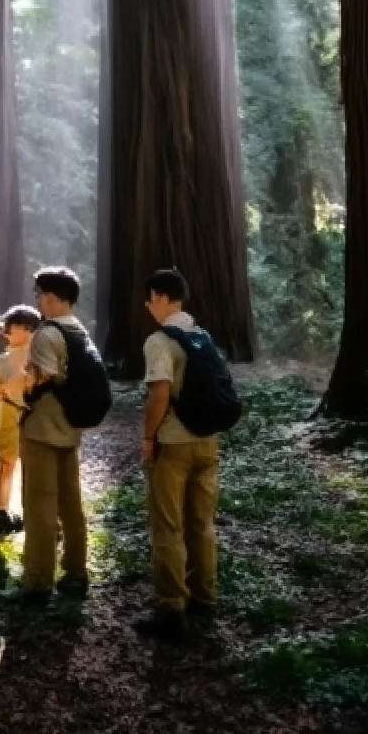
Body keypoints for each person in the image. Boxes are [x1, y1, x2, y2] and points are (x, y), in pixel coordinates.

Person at [135, 268, 219, 642]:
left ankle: (172, 609)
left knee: (167, 526)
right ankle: (204, 598)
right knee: (201, 523)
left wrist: (148, 437)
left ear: (161, 297)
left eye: (150, 299)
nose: (148, 306)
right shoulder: (202, 336)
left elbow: (160, 395)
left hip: (173, 444)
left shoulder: (160, 341)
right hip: (207, 441)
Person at [17, 267, 91, 604]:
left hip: (42, 431)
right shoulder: (79, 331)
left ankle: (38, 582)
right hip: (70, 429)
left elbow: (42, 377)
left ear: (48, 296)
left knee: (39, 506)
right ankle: (76, 572)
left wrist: (22, 387)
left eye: (38, 294)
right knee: (71, 504)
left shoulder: (47, 334)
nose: (37, 300)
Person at [0, 305, 41, 537]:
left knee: (35, 466)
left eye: (13, 325)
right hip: (8, 414)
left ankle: (34, 513)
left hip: (34, 415)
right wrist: (11, 385)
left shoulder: (40, 358)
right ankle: (2, 513)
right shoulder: (0, 361)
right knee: (6, 464)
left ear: (28, 329)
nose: (6, 329)